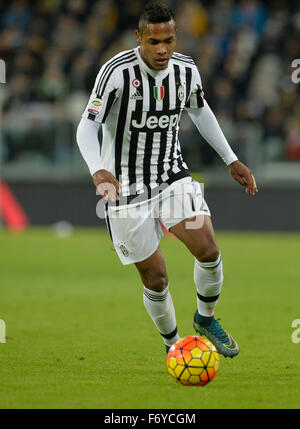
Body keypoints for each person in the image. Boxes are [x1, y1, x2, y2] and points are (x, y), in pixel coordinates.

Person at [76, 2, 258, 358]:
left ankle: (206, 319)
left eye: (169, 41)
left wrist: (231, 159)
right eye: (154, 41)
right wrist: (97, 168)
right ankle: (173, 345)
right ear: (139, 38)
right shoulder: (116, 72)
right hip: (125, 190)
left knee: (208, 249)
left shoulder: (186, 70)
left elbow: (200, 110)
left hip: (171, 175)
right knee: (156, 277)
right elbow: (87, 124)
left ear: (176, 38)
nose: (162, 49)